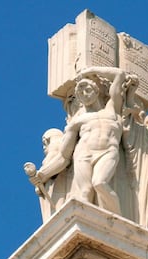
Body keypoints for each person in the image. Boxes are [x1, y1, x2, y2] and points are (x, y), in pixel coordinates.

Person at [31, 66, 126, 215]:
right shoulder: (77, 121)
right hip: (84, 154)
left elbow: (120, 74)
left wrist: (91, 71)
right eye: (80, 93)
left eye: (87, 90)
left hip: (108, 152)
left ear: (96, 91)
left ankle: (117, 222)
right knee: (86, 192)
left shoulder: (112, 109)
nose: (85, 94)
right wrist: (43, 174)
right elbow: (64, 156)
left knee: (100, 183)